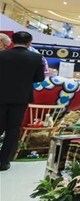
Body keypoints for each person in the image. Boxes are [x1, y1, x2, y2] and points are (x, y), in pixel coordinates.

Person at [0, 31, 46, 171]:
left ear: (12, 41)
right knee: (13, 128)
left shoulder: (2, 55)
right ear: (29, 43)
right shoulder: (36, 57)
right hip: (21, 97)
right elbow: (39, 78)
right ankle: (4, 161)